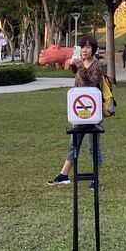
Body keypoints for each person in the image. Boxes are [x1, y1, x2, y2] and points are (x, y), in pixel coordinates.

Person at [48, 36, 108, 189]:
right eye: (82, 47)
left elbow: (92, 82)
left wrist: (81, 67)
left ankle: (96, 178)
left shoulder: (98, 65)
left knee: (93, 146)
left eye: (88, 47)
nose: (84, 50)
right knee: (74, 143)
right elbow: (78, 80)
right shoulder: (81, 62)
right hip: (78, 110)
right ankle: (64, 174)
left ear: (93, 49)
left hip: (93, 112)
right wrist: (73, 65)